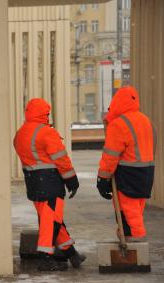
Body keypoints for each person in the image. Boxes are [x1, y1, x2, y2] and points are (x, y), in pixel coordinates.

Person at [13, 98, 85, 272]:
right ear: (44, 113)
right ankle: (46, 259)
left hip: (33, 182)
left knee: (51, 219)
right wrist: (71, 180)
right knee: (51, 221)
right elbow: (61, 159)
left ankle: (71, 254)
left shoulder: (21, 133)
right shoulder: (46, 132)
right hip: (50, 182)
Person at [97, 86, 156, 242]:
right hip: (146, 174)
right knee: (136, 212)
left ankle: (135, 250)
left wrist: (102, 178)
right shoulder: (146, 120)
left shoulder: (119, 124)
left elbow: (110, 156)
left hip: (128, 175)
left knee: (129, 215)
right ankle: (131, 243)